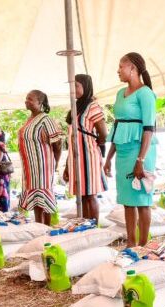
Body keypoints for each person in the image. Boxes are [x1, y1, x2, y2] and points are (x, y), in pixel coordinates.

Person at [103, 53, 157, 247]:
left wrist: (140, 160)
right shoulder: (120, 94)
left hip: (141, 150)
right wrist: (108, 158)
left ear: (132, 68)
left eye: (121, 66)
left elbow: (149, 129)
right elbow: (117, 126)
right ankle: (131, 243)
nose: (118, 70)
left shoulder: (145, 93)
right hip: (123, 151)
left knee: (142, 199)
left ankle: (143, 245)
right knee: (127, 199)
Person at [63, 74, 108, 222]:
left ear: (86, 86)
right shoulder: (76, 108)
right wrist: (67, 165)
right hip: (76, 157)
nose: (73, 89)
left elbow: (103, 134)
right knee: (81, 195)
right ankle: (85, 226)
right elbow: (72, 140)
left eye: (76, 85)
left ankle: (93, 228)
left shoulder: (92, 106)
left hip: (89, 156)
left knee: (90, 194)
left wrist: (92, 146)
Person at [18, 90, 62, 225]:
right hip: (30, 166)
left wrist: (55, 162)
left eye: (30, 99)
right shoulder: (30, 119)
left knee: (44, 196)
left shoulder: (45, 119)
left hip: (42, 165)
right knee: (36, 197)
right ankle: (39, 225)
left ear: (40, 102)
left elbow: (58, 143)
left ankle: (47, 227)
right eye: (26, 98)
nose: (27, 101)